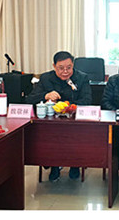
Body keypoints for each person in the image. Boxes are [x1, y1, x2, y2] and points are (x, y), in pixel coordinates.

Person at [26, 51, 92, 182]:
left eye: (69, 68)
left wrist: (67, 106)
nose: (65, 72)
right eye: (61, 68)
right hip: (51, 122)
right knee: (49, 136)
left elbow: (87, 101)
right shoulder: (46, 78)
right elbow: (29, 100)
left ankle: (75, 164)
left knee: (73, 135)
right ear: (54, 66)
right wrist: (45, 96)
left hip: (74, 121)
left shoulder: (82, 78)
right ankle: (54, 165)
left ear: (73, 65)